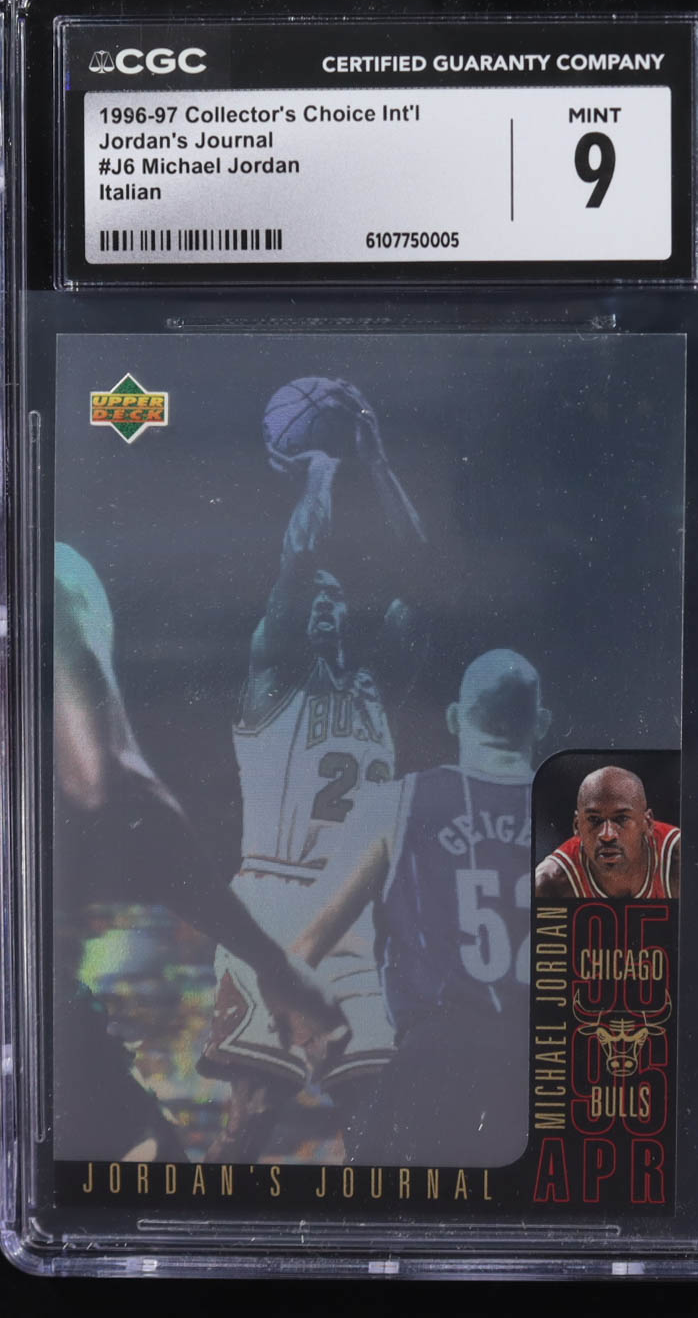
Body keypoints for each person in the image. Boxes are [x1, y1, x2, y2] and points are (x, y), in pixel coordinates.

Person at [53, 542, 344, 1161]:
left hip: (39, 999)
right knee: (141, 1168)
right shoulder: (53, 577)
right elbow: (100, 778)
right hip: (32, 1001)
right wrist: (272, 963)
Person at [199, 385, 427, 1160]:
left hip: (354, 917)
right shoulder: (273, 674)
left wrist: (379, 463)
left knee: (378, 1113)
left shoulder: (373, 688)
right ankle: (211, 1215)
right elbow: (298, 560)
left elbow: (421, 574)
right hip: (273, 899)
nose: (326, 603)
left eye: (337, 598)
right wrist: (323, 467)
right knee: (252, 1113)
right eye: (313, 601)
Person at [289, 649, 550, 1166]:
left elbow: (306, 945)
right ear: (540, 724)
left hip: (437, 1061)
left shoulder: (397, 802)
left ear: (453, 718)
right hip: (545, 1070)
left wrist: (313, 1027)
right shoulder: (583, 819)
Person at [534, 765, 680, 900]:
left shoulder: (679, 862)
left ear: (647, 823)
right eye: (594, 819)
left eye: (621, 818)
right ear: (577, 826)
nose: (607, 835)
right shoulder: (549, 882)